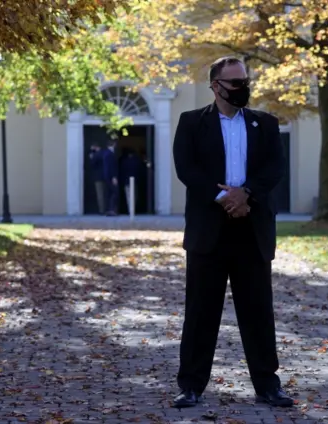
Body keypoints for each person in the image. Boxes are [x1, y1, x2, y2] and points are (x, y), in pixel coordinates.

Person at [171, 56, 293, 408]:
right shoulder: (192, 123)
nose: (243, 88)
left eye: (245, 81)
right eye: (235, 82)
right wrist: (225, 197)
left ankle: (268, 385)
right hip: (208, 229)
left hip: (252, 228)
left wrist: (246, 193)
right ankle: (190, 385)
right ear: (216, 86)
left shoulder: (265, 124)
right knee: (200, 312)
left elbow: (274, 169)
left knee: (257, 311)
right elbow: (187, 169)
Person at [119, 148, 142, 214]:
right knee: (135, 196)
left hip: (126, 181)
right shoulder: (137, 161)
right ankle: (133, 209)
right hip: (135, 181)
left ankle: (130, 210)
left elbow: (122, 171)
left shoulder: (124, 162)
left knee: (128, 196)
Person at [102, 140, 119, 216]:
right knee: (115, 192)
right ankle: (112, 209)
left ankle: (109, 209)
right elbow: (111, 167)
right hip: (110, 177)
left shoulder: (106, 153)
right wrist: (114, 177)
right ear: (113, 145)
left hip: (107, 176)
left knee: (109, 193)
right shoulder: (110, 154)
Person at [89, 143, 106, 214]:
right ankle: (107, 209)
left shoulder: (96, 155)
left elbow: (92, 164)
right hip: (106, 176)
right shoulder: (105, 153)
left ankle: (102, 210)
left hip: (98, 177)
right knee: (105, 194)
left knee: (100, 194)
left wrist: (91, 157)